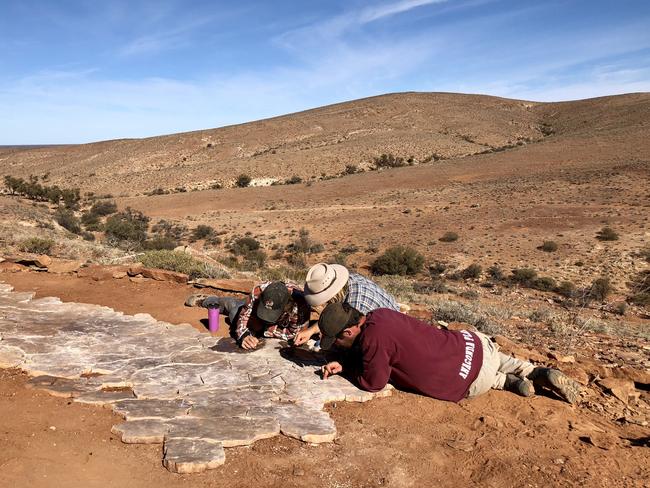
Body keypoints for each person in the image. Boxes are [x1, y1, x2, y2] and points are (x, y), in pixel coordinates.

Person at [317, 302, 582, 404]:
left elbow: (374, 382)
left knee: (473, 378)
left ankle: (506, 383)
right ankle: (533, 372)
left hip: (470, 381)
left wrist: (347, 368)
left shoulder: (372, 343)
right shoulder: (380, 315)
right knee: (497, 359)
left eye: (336, 340)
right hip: (475, 345)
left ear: (348, 332)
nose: (336, 345)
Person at [292, 263, 399, 346]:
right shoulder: (348, 281)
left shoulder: (356, 305)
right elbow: (336, 318)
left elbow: (355, 337)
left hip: (391, 338)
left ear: (331, 296)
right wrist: (311, 331)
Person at [186, 281, 311, 349]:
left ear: (286, 306)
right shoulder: (258, 291)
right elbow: (243, 317)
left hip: (273, 324)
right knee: (235, 311)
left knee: (237, 310)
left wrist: (264, 330)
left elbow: (293, 334)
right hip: (255, 312)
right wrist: (244, 335)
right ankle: (205, 301)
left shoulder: (300, 305)